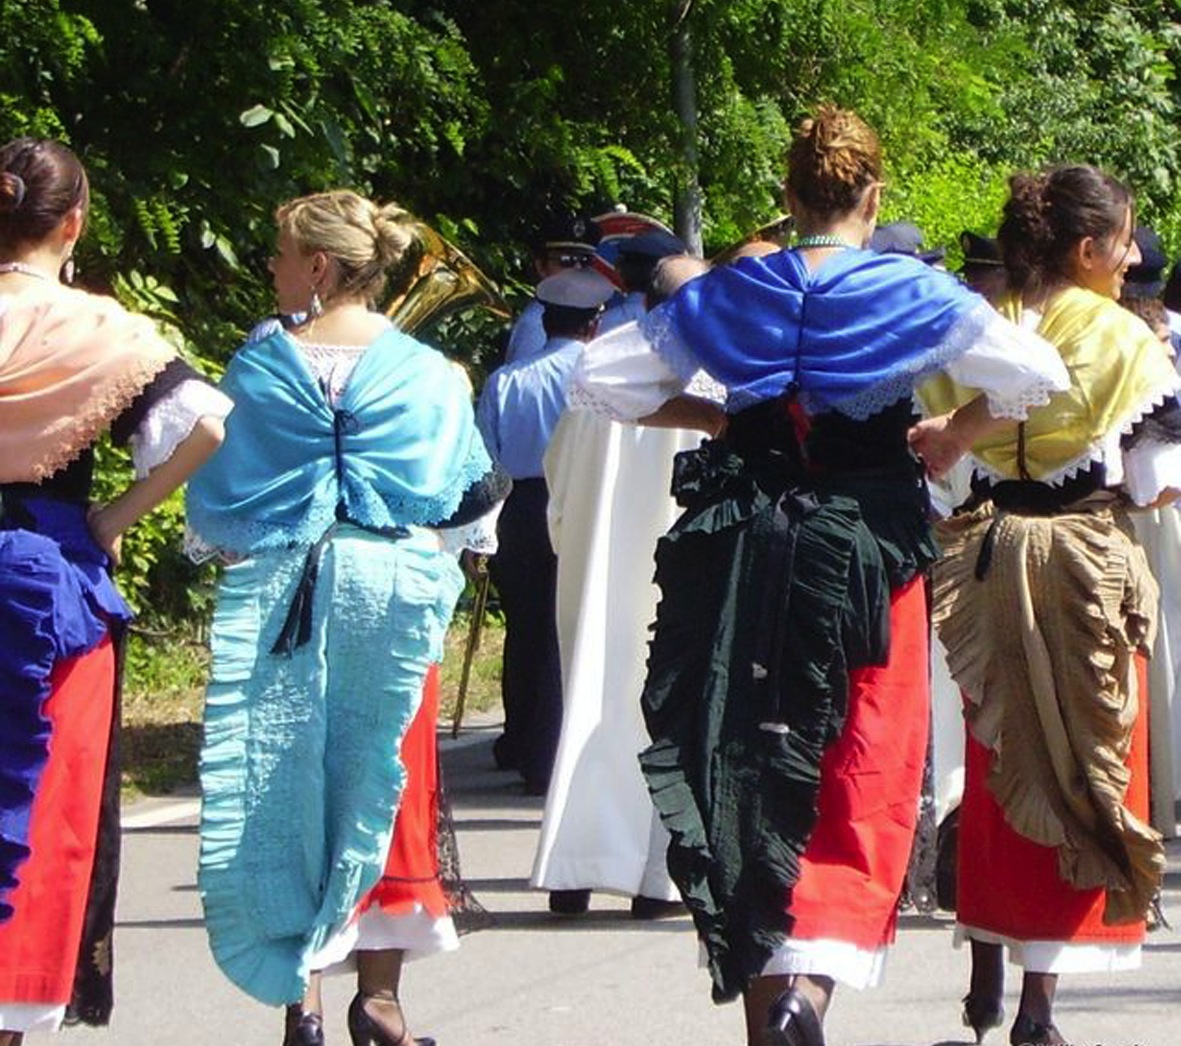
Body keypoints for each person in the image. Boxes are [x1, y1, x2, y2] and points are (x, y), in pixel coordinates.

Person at [567, 105, 1070, 1046]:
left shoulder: (734, 292)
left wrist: (721, 421)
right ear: (871, 198)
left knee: (747, 754)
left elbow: (600, 382)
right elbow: (1034, 374)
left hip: (746, 544)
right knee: (861, 760)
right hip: (866, 550)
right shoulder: (910, 292)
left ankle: (768, 1006)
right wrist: (948, 434)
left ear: (791, 197)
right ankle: (810, 985)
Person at [186, 189, 503, 1046]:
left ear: (319, 267)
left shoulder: (259, 364)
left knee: (289, 779)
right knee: (384, 781)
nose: (271, 267)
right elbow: (467, 499)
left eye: (280, 253)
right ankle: (381, 999)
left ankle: (304, 999)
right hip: (393, 590)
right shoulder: (431, 371)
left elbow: (221, 503)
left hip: (289, 590)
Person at [923, 165, 1181, 1046]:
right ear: (1087, 247)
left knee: (999, 756)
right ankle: (1039, 1002)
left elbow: (944, 472)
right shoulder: (1122, 338)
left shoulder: (979, 329)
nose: (1131, 256)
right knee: (1085, 763)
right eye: (1123, 240)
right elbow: (1151, 482)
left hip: (985, 563)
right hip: (1081, 563)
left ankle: (986, 959)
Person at [0, 138, 230, 1042]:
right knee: (37, 799)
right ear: (74, 223)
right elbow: (207, 420)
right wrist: (119, 514)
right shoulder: (102, 332)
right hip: (46, 576)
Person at [531, 254, 719, 918]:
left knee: (592, 698)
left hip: (596, 560)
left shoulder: (605, 360)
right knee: (667, 712)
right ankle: (652, 878)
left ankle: (573, 869)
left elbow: (558, 469)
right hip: (679, 566)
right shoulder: (713, 374)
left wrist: (572, 534)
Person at [476, 267, 616, 796]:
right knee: (574, 627)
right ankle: (558, 752)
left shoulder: (505, 380)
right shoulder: (599, 375)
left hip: (518, 504)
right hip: (579, 500)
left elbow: (485, 461)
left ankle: (519, 740)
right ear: (594, 324)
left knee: (526, 628)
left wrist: (478, 534)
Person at [503, 214, 601, 365]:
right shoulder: (535, 324)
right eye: (566, 261)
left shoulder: (586, 313)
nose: (577, 268)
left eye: (585, 261)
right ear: (541, 267)